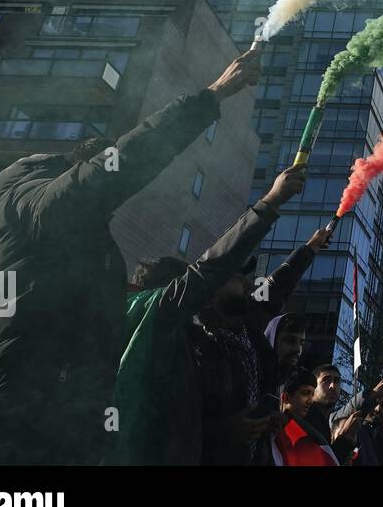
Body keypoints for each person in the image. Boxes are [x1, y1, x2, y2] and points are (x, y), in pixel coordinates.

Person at [0, 49, 263, 466]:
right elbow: (112, 172)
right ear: (76, 169)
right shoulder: (31, 201)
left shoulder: (54, 234)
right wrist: (213, 95)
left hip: (34, 438)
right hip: (0, 438)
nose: (108, 210)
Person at [105, 165, 307, 465]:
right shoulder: (162, 325)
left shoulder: (209, 342)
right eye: (237, 278)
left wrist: (258, 424)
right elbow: (165, 427)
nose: (250, 285)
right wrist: (270, 202)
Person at [193, 223, 332, 465]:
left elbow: (276, 288)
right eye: (239, 278)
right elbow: (174, 419)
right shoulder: (196, 342)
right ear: (214, 289)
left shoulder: (248, 330)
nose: (249, 285)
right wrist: (224, 430)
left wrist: (309, 249)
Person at [271, 368, 338, 466]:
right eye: (305, 393)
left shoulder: (310, 433)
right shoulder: (270, 429)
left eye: (312, 394)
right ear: (286, 397)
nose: (310, 401)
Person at [265, 312, 306, 384]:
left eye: (301, 343)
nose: (298, 349)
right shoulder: (251, 376)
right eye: (290, 341)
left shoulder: (299, 382)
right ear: (272, 340)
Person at [304, 364, 342, 442]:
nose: (333, 386)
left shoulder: (327, 423)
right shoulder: (302, 415)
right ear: (313, 386)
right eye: (326, 380)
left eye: (336, 381)